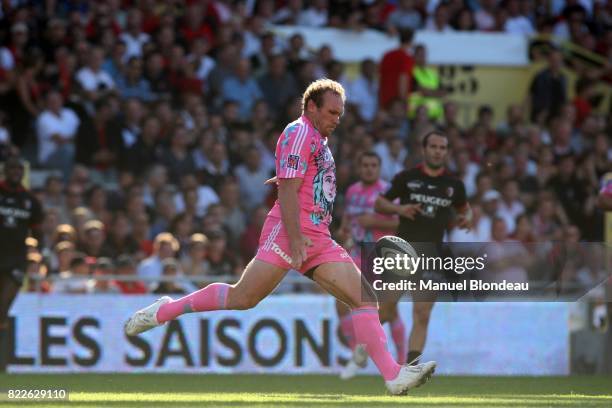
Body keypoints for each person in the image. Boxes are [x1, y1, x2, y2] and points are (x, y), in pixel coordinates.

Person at [125, 79, 436, 395]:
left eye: (340, 114)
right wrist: (296, 235)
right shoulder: (299, 132)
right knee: (242, 298)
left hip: (316, 234)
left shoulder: (315, 137)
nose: (336, 119)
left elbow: (300, 180)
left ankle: (393, 376)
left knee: (364, 298)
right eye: (331, 112)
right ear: (311, 106)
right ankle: (164, 311)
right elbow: (287, 189)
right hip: (291, 232)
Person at [374, 131, 472, 366]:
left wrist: (466, 217)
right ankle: (363, 342)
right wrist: (400, 209)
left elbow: (465, 209)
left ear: (446, 152)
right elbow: (379, 202)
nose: (438, 151)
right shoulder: (406, 178)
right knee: (386, 310)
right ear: (424, 149)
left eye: (442, 147)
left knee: (422, 313)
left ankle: (410, 368)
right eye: (434, 146)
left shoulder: (454, 185)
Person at [336, 151, 405, 380]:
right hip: (356, 254)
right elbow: (348, 218)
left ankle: (404, 362)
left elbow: (401, 223)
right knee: (340, 301)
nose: (368, 169)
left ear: (379, 167)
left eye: (373, 165)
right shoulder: (353, 191)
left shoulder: (388, 192)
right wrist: (343, 231)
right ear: (359, 168)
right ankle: (358, 351)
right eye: (365, 165)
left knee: (389, 311)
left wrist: (374, 221)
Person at [0, 156, 43, 372]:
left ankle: (2, 361)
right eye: (12, 167)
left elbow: (39, 232)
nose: (16, 171)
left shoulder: (30, 200)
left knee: (3, 305)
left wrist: (40, 254)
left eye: (19, 168)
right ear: (5, 170)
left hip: (16, 259)